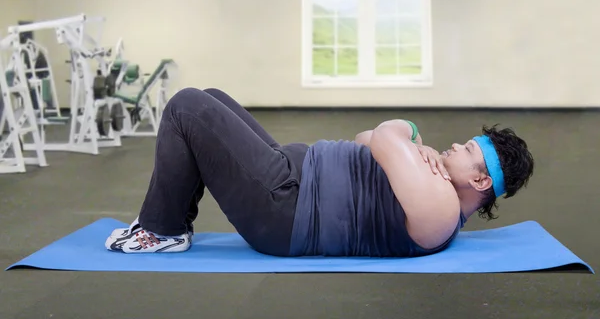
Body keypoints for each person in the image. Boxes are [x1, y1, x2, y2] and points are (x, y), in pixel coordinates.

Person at [105, 87, 535, 257]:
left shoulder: (440, 210)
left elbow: (385, 137)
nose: (456, 146)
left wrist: (409, 132)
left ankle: (161, 230)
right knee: (212, 98)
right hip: (292, 174)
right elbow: (366, 137)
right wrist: (402, 144)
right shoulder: (433, 179)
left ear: (480, 181)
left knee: (186, 107)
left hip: (287, 209)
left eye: (467, 150)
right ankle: (172, 222)